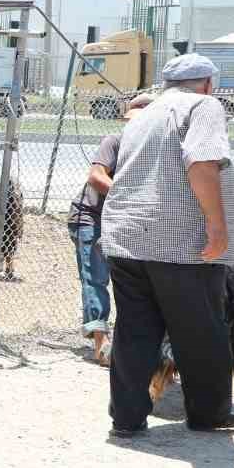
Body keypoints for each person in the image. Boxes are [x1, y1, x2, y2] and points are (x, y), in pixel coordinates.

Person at [99, 54, 234, 436]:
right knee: (202, 332)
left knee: (135, 331)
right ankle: (209, 414)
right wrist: (217, 228)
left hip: (126, 239)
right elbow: (201, 163)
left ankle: (126, 419)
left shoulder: (143, 113)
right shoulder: (204, 106)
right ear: (208, 84)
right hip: (181, 244)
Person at [67, 93, 153, 366]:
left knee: (131, 282)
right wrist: (126, 195)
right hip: (91, 217)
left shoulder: (153, 152)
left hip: (123, 222)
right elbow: (96, 176)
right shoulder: (114, 142)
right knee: (95, 276)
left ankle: (129, 341)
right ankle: (100, 343)